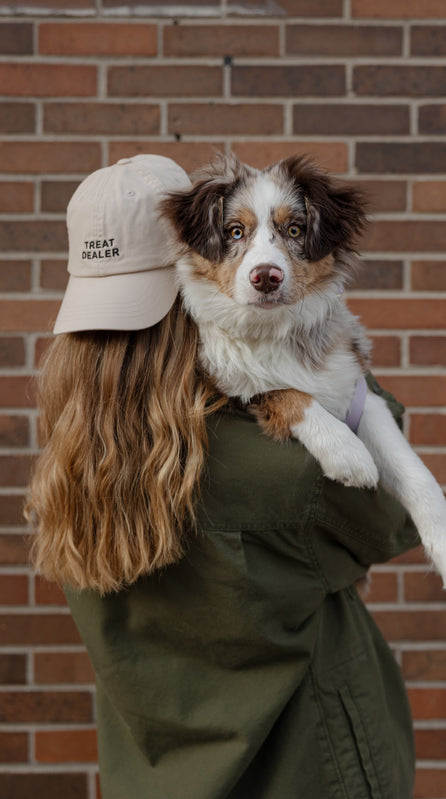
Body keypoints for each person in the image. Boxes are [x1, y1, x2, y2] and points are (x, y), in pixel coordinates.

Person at [25, 154, 420, 799]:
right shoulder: (288, 467)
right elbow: (395, 519)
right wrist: (322, 353)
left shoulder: (68, 469)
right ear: (197, 274)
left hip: (151, 781)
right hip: (307, 771)